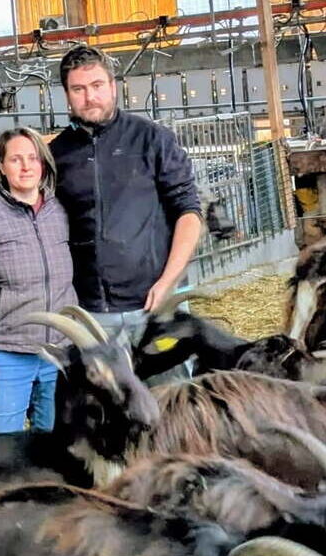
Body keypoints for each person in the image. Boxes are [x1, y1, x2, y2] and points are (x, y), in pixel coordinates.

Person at [49, 44, 203, 378]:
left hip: (154, 305)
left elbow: (189, 213)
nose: (90, 98)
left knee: (171, 400)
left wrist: (168, 281)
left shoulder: (152, 139)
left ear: (113, 87)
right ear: (67, 95)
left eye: (97, 86)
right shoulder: (56, 155)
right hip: (92, 314)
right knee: (109, 410)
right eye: (78, 89)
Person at [0, 127, 77, 433]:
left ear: (43, 164)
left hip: (58, 354)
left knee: (54, 447)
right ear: (0, 167)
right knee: (1, 451)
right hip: (6, 354)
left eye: (33, 158)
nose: (26, 166)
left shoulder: (61, 210)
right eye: (16, 159)